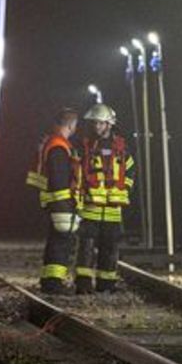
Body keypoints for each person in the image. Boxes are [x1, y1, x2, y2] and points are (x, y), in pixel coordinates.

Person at [72, 104, 134, 293]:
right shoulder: (85, 146)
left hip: (113, 209)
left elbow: (130, 172)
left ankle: (106, 286)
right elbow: (78, 173)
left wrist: (123, 191)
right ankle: (83, 285)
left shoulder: (122, 147)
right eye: (94, 123)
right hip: (90, 207)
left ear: (109, 124)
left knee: (110, 249)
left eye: (100, 123)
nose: (96, 127)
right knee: (86, 248)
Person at [27, 107, 80, 294]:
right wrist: (68, 200)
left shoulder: (53, 142)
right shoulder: (59, 145)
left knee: (56, 241)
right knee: (62, 242)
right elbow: (59, 178)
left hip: (55, 201)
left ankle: (49, 280)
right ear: (71, 125)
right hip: (61, 202)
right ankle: (54, 284)